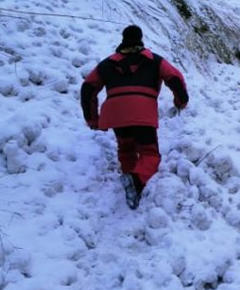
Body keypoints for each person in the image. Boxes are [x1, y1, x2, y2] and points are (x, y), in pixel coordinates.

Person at [80, 25, 188, 209]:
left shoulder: (107, 64)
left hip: (116, 114)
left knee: (126, 149)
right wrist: (180, 102)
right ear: (140, 39)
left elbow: (88, 87)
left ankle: (131, 188)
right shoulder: (155, 60)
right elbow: (175, 78)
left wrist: (92, 119)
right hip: (142, 112)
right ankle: (136, 181)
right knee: (150, 154)